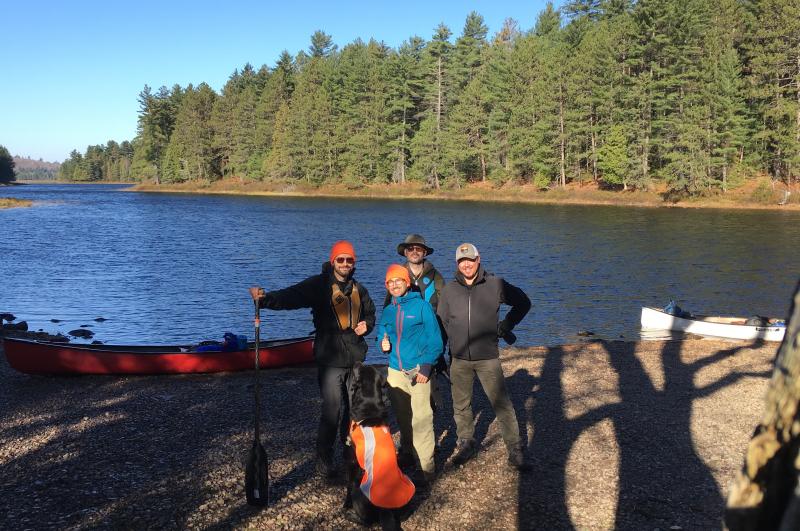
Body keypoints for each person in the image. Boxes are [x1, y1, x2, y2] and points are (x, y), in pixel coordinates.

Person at [249, 240, 376, 479]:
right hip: (330, 359)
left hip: (355, 358)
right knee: (332, 410)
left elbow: (370, 312)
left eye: (349, 260)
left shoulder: (360, 289)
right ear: (333, 262)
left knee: (354, 411)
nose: (345, 264)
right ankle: (324, 461)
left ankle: (351, 457)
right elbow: (292, 296)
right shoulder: (319, 285)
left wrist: (366, 325)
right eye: (341, 259)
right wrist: (265, 300)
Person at [436, 243, 531, 469]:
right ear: (457, 264)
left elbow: (523, 303)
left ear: (478, 259)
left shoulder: (495, 284)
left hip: (487, 356)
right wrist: (439, 353)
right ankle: (466, 443)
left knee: (502, 403)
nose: (466, 264)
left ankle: (515, 449)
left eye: (470, 259)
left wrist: (507, 323)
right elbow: (441, 325)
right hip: (458, 358)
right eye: (462, 261)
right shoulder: (449, 291)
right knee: (461, 405)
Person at [378, 264, 443, 485]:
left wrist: (427, 366)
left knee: (422, 418)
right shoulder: (388, 310)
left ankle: (427, 468)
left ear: (407, 283)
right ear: (387, 286)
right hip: (395, 371)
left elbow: (436, 341)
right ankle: (408, 454)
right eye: (390, 282)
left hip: (418, 371)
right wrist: (382, 343)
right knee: (404, 417)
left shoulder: (422, 306)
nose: (395, 285)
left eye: (399, 281)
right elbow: (382, 334)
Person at [384, 234, 448, 410]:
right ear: (405, 252)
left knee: (428, 386)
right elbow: (388, 310)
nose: (414, 252)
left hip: (429, 337)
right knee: (404, 395)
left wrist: (441, 340)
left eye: (418, 249)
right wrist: (385, 338)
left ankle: (428, 423)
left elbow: (444, 308)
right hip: (404, 340)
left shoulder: (436, 277)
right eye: (410, 248)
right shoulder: (397, 275)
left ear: (424, 252)